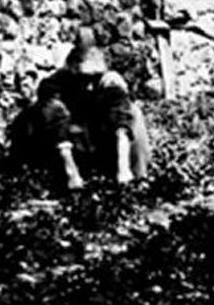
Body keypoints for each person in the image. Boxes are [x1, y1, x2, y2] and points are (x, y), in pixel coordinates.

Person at [8, 28, 150, 190]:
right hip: (61, 144)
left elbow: (121, 121)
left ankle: (139, 177)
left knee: (134, 113)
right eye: (84, 78)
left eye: (94, 77)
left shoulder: (109, 82)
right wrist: (72, 174)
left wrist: (123, 169)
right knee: (28, 117)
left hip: (94, 141)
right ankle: (34, 176)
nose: (89, 85)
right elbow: (57, 129)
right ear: (72, 71)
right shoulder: (53, 85)